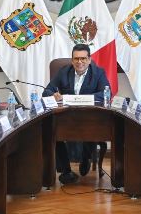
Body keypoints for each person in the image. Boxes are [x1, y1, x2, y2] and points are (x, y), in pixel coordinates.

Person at [43, 44, 110, 184]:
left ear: (89, 60)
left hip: (89, 117)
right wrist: (53, 95)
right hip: (67, 117)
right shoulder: (63, 72)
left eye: (83, 58)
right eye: (76, 59)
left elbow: (105, 94)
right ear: (72, 60)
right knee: (52, 130)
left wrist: (81, 99)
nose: (80, 62)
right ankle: (66, 170)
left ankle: (86, 157)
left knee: (91, 128)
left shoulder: (98, 73)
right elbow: (47, 91)